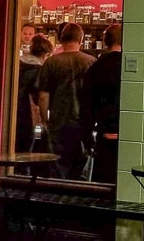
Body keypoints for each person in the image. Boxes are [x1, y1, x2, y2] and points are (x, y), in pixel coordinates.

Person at [35, 23, 95, 179]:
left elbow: (43, 96)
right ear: (80, 39)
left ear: (61, 39)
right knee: (80, 167)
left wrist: (45, 121)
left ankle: (58, 198)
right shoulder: (91, 62)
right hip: (83, 124)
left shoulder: (51, 62)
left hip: (58, 123)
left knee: (57, 167)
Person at [81, 24, 122, 183]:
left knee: (102, 186)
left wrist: (87, 138)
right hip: (127, 135)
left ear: (105, 42)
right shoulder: (130, 67)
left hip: (104, 134)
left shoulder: (95, 69)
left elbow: (87, 106)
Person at [16, 34, 52, 154]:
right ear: (46, 55)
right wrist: (44, 120)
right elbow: (40, 98)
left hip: (11, 114)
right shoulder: (40, 71)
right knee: (26, 154)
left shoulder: (17, 65)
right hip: (28, 116)